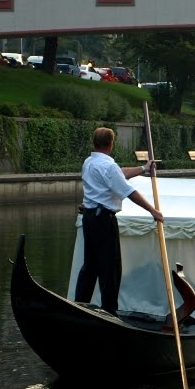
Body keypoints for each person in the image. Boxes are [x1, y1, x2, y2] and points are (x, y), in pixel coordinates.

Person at [74, 126, 163, 312]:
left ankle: (79, 305)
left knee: (90, 265)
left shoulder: (89, 162)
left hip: (90, 218)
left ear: (95, 143)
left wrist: (143, 168)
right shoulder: (108, 166)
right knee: (110, 267)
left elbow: (118, 174)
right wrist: (153, 211)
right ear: (111, 144)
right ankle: (109, 311)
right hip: (103, 220)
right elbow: (129, 192)